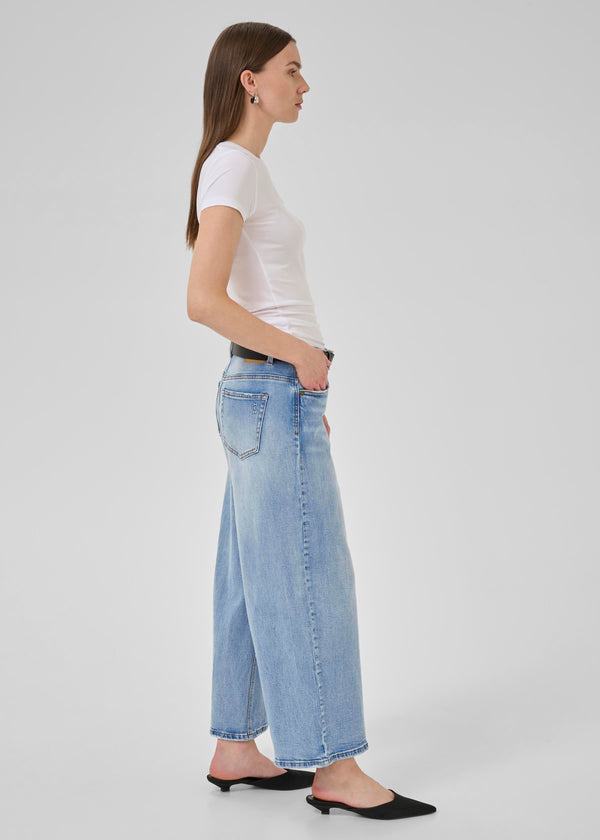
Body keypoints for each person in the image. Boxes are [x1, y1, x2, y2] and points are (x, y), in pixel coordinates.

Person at [185, 21, 436, 821]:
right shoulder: (236, 167)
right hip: (271, 387)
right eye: (292, 70)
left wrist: (296, 381)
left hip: (261, 396)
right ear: (249, 80)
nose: (304, 84)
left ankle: (235, 747)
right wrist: (301, 357)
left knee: (248, 575)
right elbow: (203, 299)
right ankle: (335, 766)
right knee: (310, 573)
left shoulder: (240, 168)